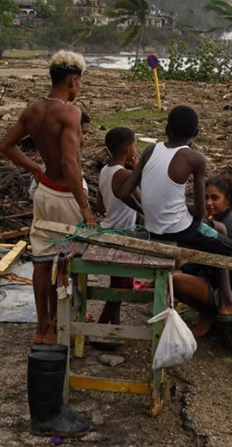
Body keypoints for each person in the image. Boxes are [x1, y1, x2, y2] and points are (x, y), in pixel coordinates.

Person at [116, 105, 232, 344]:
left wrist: (147, 211)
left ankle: (227, 301)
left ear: (166, 129)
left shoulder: (151, 151)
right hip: (181, 229)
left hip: (154, 228)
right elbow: (200, 212)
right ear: (195, 133)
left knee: (220, 232)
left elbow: (124, 192)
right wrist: (183, 210)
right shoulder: (195, 158)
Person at [1, 51, 95, 345]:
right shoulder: (70, 113)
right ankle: (62, 321)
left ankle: (43, 328)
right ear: (73, 80)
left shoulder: (33, 110)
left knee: (42, 260)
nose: (79, 88)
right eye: (80, 82)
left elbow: (7, 145)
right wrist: (85, 207)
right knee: (68, 259)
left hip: (44, 192)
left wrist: (36, 170)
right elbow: (70, 163)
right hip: (67, 195)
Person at [174, 173, 232, 336]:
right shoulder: (217, 219)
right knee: (177, 271)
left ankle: (209, 314)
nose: (209, 203)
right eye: (206, 198)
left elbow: (225, 269)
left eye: (215, 198)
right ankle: (206, 313)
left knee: (175, 280)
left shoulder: (228, 225)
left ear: (228, 200)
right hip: (216, 281)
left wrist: (188, 270)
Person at [93, 127, 142, 331]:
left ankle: (114, 327)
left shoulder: (106, 170)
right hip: (121, 235)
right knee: (123, 286)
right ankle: (100, 328)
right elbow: (143, 199)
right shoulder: (124, 174)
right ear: (128, 149)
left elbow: (100, 206)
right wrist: (138, 169)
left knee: (118, 282)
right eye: (135, 145)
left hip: (107, 228)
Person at [28, 112, 91, 201]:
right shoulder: (63, 156)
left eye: (86, 133)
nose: (86, 137)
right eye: (83, 133)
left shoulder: (69, 151)